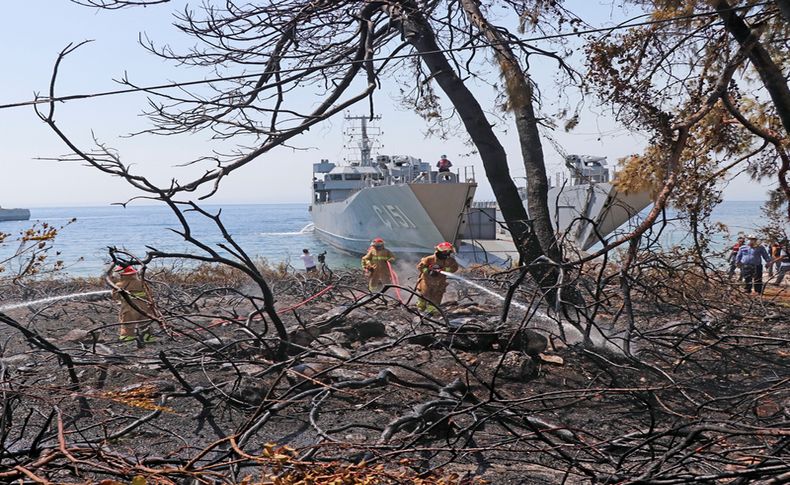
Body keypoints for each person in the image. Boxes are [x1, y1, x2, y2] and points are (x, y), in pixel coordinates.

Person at [112, 265, 155, 343]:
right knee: (145, 324)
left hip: (129, 309)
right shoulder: (142, 283)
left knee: (127, 325)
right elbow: (150, 295)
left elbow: (115, 297)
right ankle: (148, 338)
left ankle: (127, 339)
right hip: (145, 308)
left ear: (120, 275)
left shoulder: (119, 285)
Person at [416, 242, 459, 315]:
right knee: (424, 294)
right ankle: (420, 308)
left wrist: (444, 269)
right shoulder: (430, 259)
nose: (447, 254)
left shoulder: (450, 260)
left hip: (440, 282)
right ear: (439, 251)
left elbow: (454, 268)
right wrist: (428, 271)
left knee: (437, 296)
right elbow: (420, 267)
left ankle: (432, 311)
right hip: (427, 281)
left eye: (448, 252)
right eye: (445, 252)